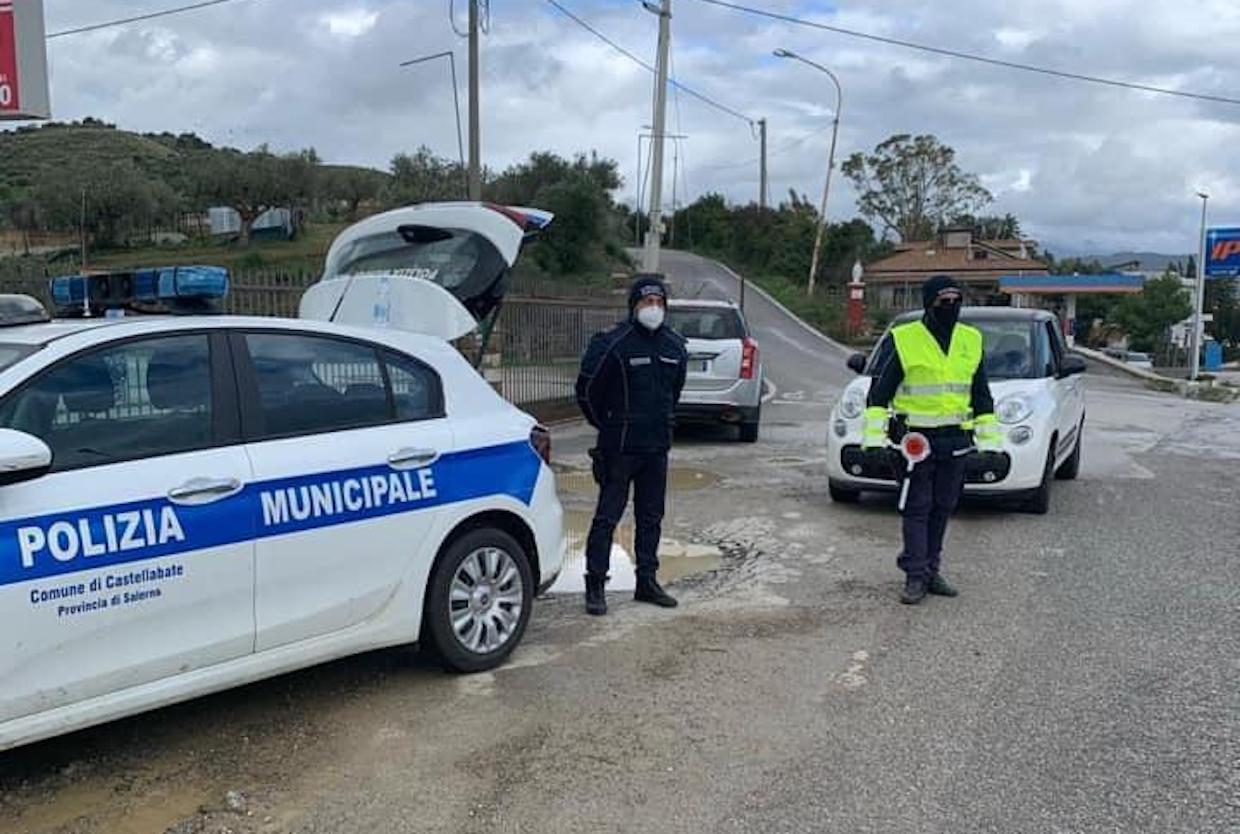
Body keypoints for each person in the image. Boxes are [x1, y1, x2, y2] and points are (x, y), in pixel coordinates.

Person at [862, 275, 1002, 605]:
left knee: (943, 507)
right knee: (918, 507)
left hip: (954, 441)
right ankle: (914, 574)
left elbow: (981, 396)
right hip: (914, 442)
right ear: (929, 302)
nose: (951, 306)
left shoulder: (971, 340)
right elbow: (879, 396)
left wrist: (991, 446)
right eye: (944, 300)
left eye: (956, 299)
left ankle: (931, 569)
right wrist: (872, 443)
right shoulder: (905, 339)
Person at [574, 274, 688, 616]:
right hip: (619, 447)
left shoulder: (674, 346)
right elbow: (587, 391)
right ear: (633, 305)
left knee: (651, 516)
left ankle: (647, 582)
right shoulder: (612, 342)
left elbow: (674, 392)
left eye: (658, 303)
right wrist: (607, 425)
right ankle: (595, 583)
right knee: (608, 517)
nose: (652, 308)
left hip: (656, 446)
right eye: (646, 302)